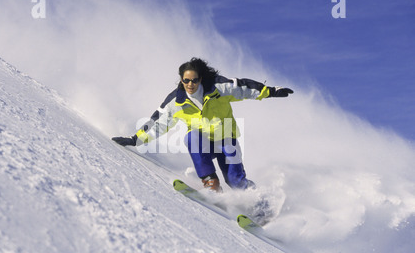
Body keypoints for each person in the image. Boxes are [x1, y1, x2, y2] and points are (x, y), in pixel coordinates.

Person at [113, 58, 293, 192]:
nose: (190, 84)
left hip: (226, 139)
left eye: (194, 80)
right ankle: (210, 182)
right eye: (186, 81)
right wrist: (136, 140)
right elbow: (157, 123)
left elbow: (244, 87)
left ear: (200, 79)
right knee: (191, 137)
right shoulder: (176, 101)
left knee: (235, 181)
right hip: (202, 141)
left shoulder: (218, 88)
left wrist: (270, 91)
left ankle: (259, 204)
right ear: (181, 80)